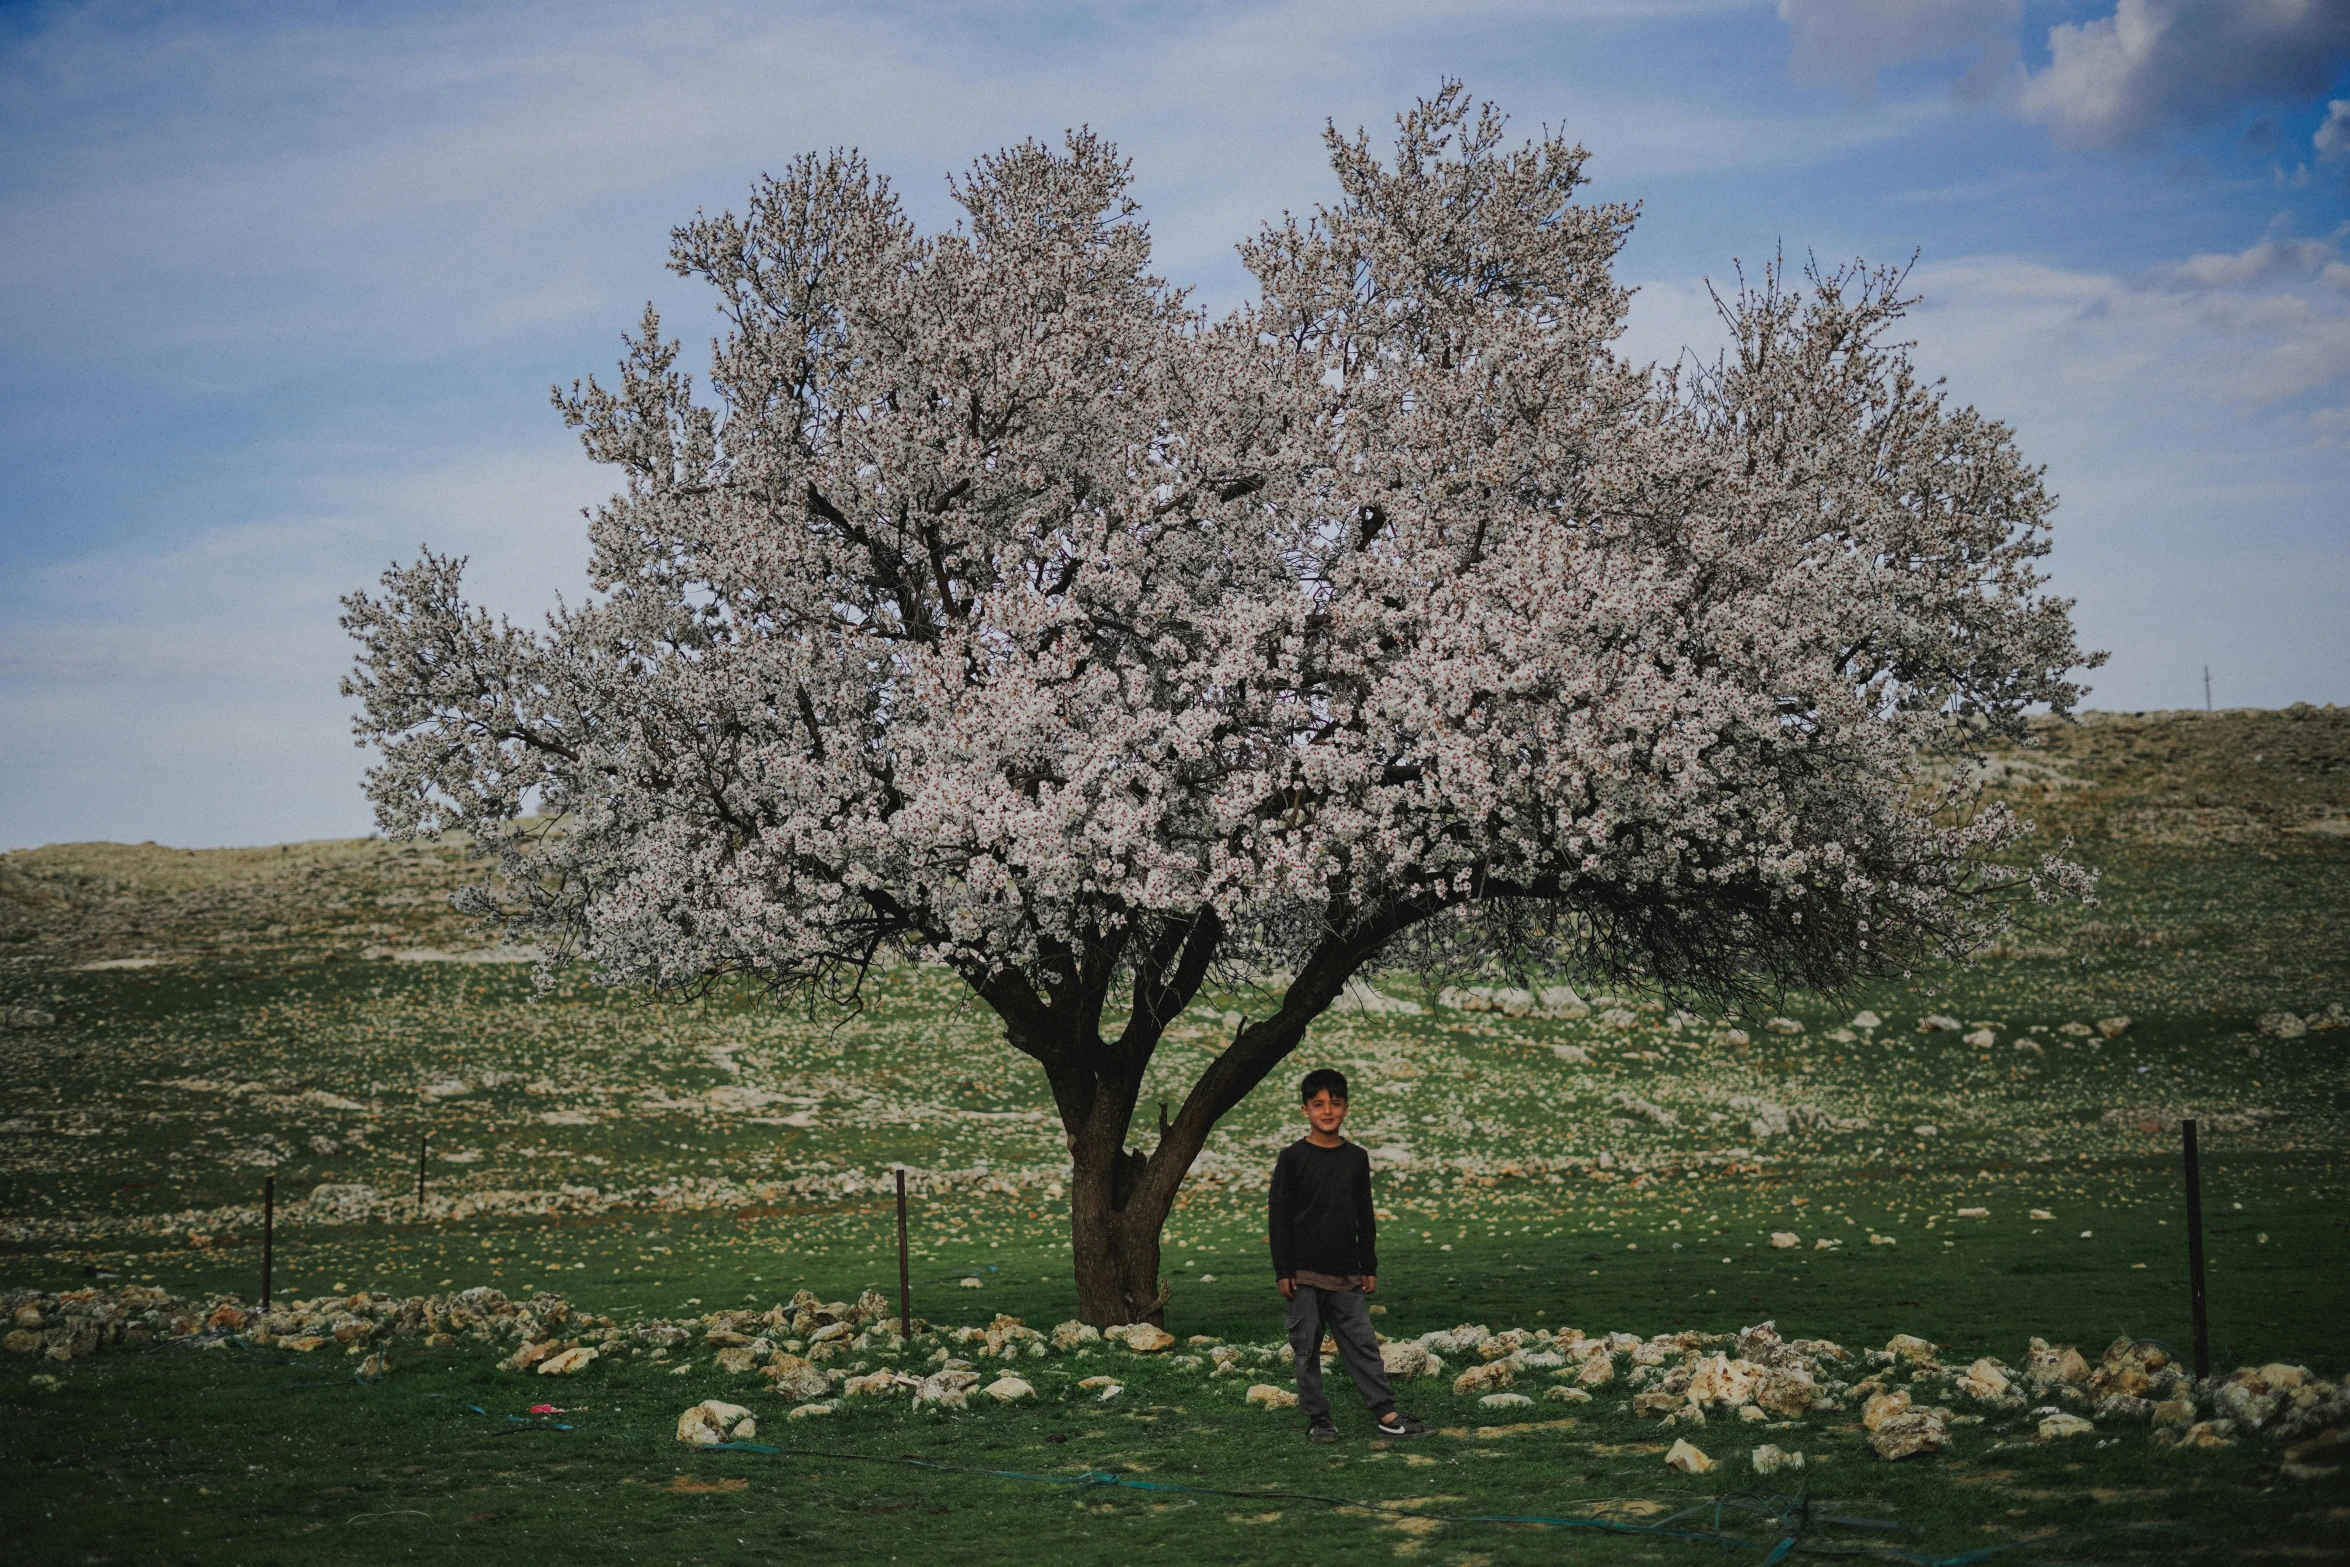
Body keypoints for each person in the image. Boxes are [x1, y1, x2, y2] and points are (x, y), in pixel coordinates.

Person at [1269, 1067, 1432, 1443]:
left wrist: (1367, 1265)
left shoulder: (1356, 1158)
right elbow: (1278, 1217)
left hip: (1346, 1274)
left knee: (1362, 1342)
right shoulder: (1291, 1158)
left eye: (1335, 1103)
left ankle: (1386, 1414)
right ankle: (1319, 1420)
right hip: (1304, 1273)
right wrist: (1284, 1269)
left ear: (1345, 1109)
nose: (1327, 1111)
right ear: (1305, 1110)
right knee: (1306, 1347)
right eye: (1318, 1104)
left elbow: (1365, 1213)